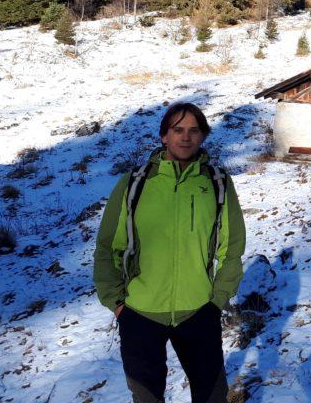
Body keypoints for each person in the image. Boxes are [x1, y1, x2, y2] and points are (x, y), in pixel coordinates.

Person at [94, 102, 246, 403]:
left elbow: (232, 251)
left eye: (193, 130)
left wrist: (216, 302)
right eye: (178, 130)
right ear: (164, 135)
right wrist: (117, 302)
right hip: (140, 312)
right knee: (147, 398)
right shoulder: (134, 183)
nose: (185, 137)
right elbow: (109, 246)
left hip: (198, 310)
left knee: (212, 397)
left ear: (203, 136)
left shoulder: (217, 184)